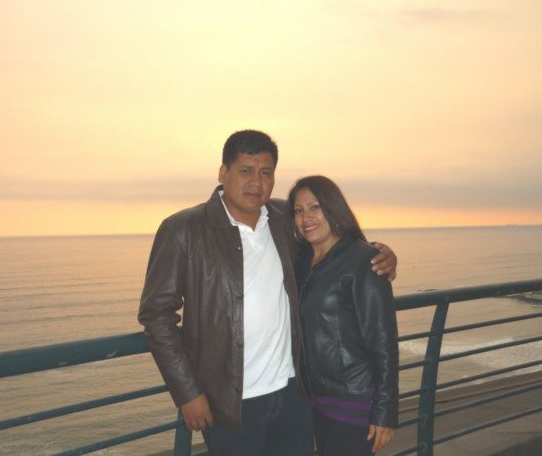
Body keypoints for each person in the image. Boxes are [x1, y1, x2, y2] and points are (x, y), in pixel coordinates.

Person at [138, 130, 397, 456]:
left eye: (266, 172)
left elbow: (333, 248)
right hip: (230, 403)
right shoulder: (184, 229)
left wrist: (379, 254)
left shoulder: (285, 219)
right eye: (245, 170)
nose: (256, 182)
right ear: (223, 173)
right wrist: (187, 392)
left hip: (294, 394)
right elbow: (156, 316)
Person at [288, 175, 399, 456]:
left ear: (333, 208)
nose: (306, 218)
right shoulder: (301, 262)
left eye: (315, 207)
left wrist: (385, 411)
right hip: (317, 398)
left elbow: (383, 342)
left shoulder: (364, 260)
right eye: (298, 210)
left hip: (353, 401)